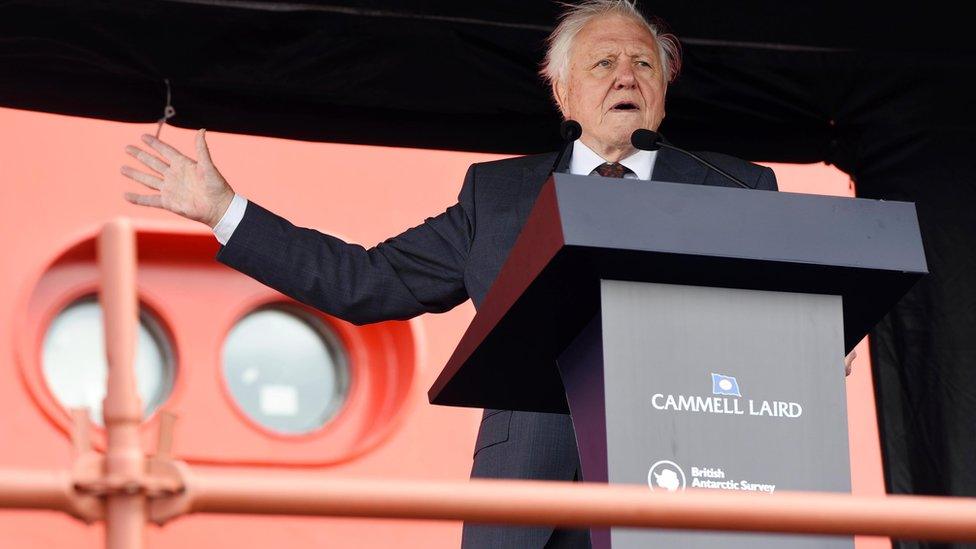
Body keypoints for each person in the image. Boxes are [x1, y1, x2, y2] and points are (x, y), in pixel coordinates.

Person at [121, 1, 855, 546]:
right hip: (526, 498)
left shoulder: (734, 186)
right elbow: (363, 282)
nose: (625, 76)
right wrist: (225, 211)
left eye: (643, 64)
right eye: (603, 63)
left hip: (683, 490)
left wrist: (819, 329)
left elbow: (786, 320)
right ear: (563, 92)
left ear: (664, 87)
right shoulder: (496, 197)